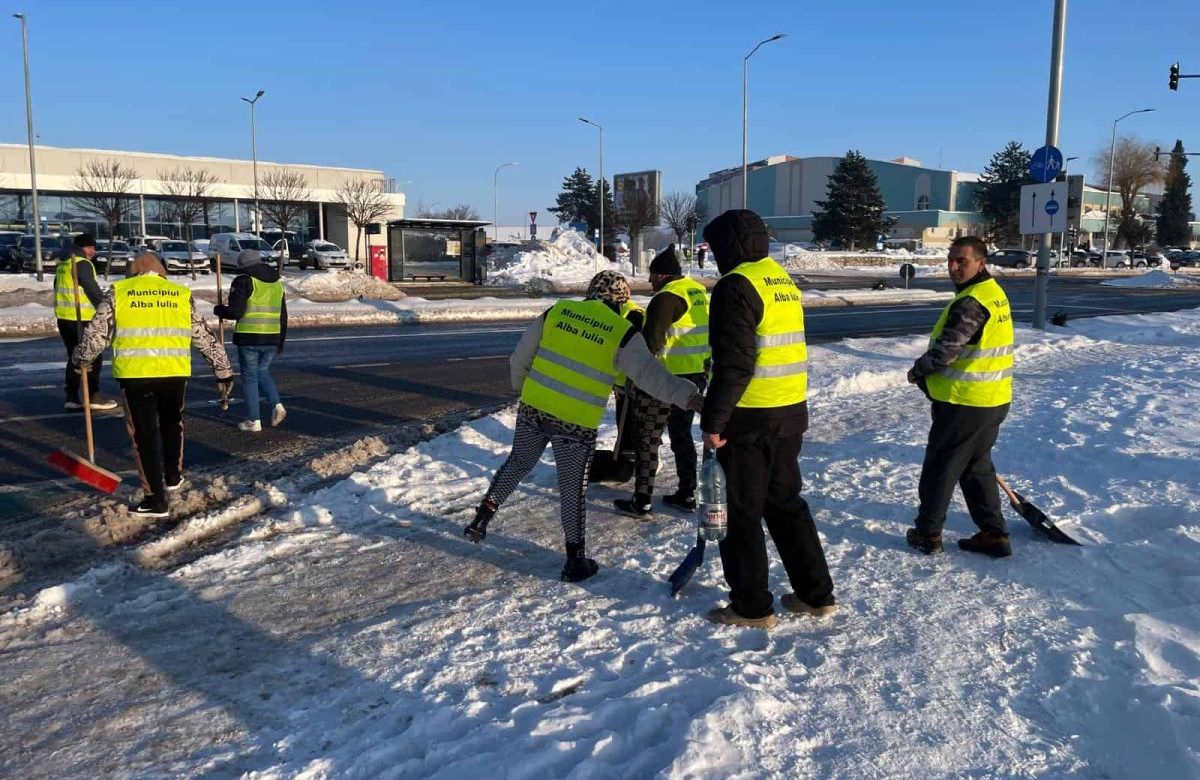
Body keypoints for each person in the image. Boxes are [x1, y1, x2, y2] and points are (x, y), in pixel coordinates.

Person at [463, 270, 705, 583]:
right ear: (621, 301)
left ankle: (481, 519)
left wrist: (523, 389)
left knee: (518, 462)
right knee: (572, 488)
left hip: (534, 409)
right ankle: (574, 560)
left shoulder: (558, 311)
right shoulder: (622, 332)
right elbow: (651, 377)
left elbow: (520, 356)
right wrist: (690, 398)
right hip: (575, 423)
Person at [699, 209, 835, 629]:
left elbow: (736, 365)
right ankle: (816, 595)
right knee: (786, 505)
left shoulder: (735, 285)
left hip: (750, 418)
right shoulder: (779, 279)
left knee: (741, 514)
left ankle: (752, 606)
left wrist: (715, 422)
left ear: (730, 246)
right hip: (790, 412)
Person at [71, 251, 233, 517]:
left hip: (137, 375)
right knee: (172, 423)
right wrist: (223, 369)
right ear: (161, 272)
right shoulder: (179, 294)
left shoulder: (120, 292)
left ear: (133, 271)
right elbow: (203, 335)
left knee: (144, 437)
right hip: (174, 373)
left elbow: (96, 336)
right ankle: (172, 476)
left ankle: (155, 500)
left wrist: (80, 359)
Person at [905, 236, 1014, 558]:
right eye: (951, 260)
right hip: (992, 399)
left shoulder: (972, 301)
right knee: (976, 468)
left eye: (961, 261)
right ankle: (993, 533)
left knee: (941, 467)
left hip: (964, 403)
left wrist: (919, 370)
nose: (953, 266)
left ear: (981, 263)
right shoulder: (993, 295)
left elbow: (946, 352)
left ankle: (928, 533)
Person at [614, 245, 710, 517]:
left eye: (652, 275)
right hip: (694, 379)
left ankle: (641, 501)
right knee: (682, 436)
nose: (649, 282)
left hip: (663, 382)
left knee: (648, 439)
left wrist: (634, 377)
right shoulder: (698, 293)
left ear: (662, 275)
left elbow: (650, 345)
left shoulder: (665, 298)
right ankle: (687, 493)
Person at [213, 249, 287, 432]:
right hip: (272, 336)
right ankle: (276, 405)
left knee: (250, 377)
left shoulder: (244, 281)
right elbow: (283, 315)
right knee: (262, 372)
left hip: (249, 337)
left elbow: (235, 312)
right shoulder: (277, 283)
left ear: (243, 266)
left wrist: (219, 310)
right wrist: (280, 341)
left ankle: (254, 420)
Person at [54, 233, 118, 411]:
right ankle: (94, 396)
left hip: (65, 319)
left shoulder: (64, 263)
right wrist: (107, 308)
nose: (93, 251)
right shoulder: (81, 263)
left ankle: (72, 397)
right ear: (81, 248)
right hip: (81, 319)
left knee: (75, 357)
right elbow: (92, 289)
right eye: (90, 247)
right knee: (93, 356)